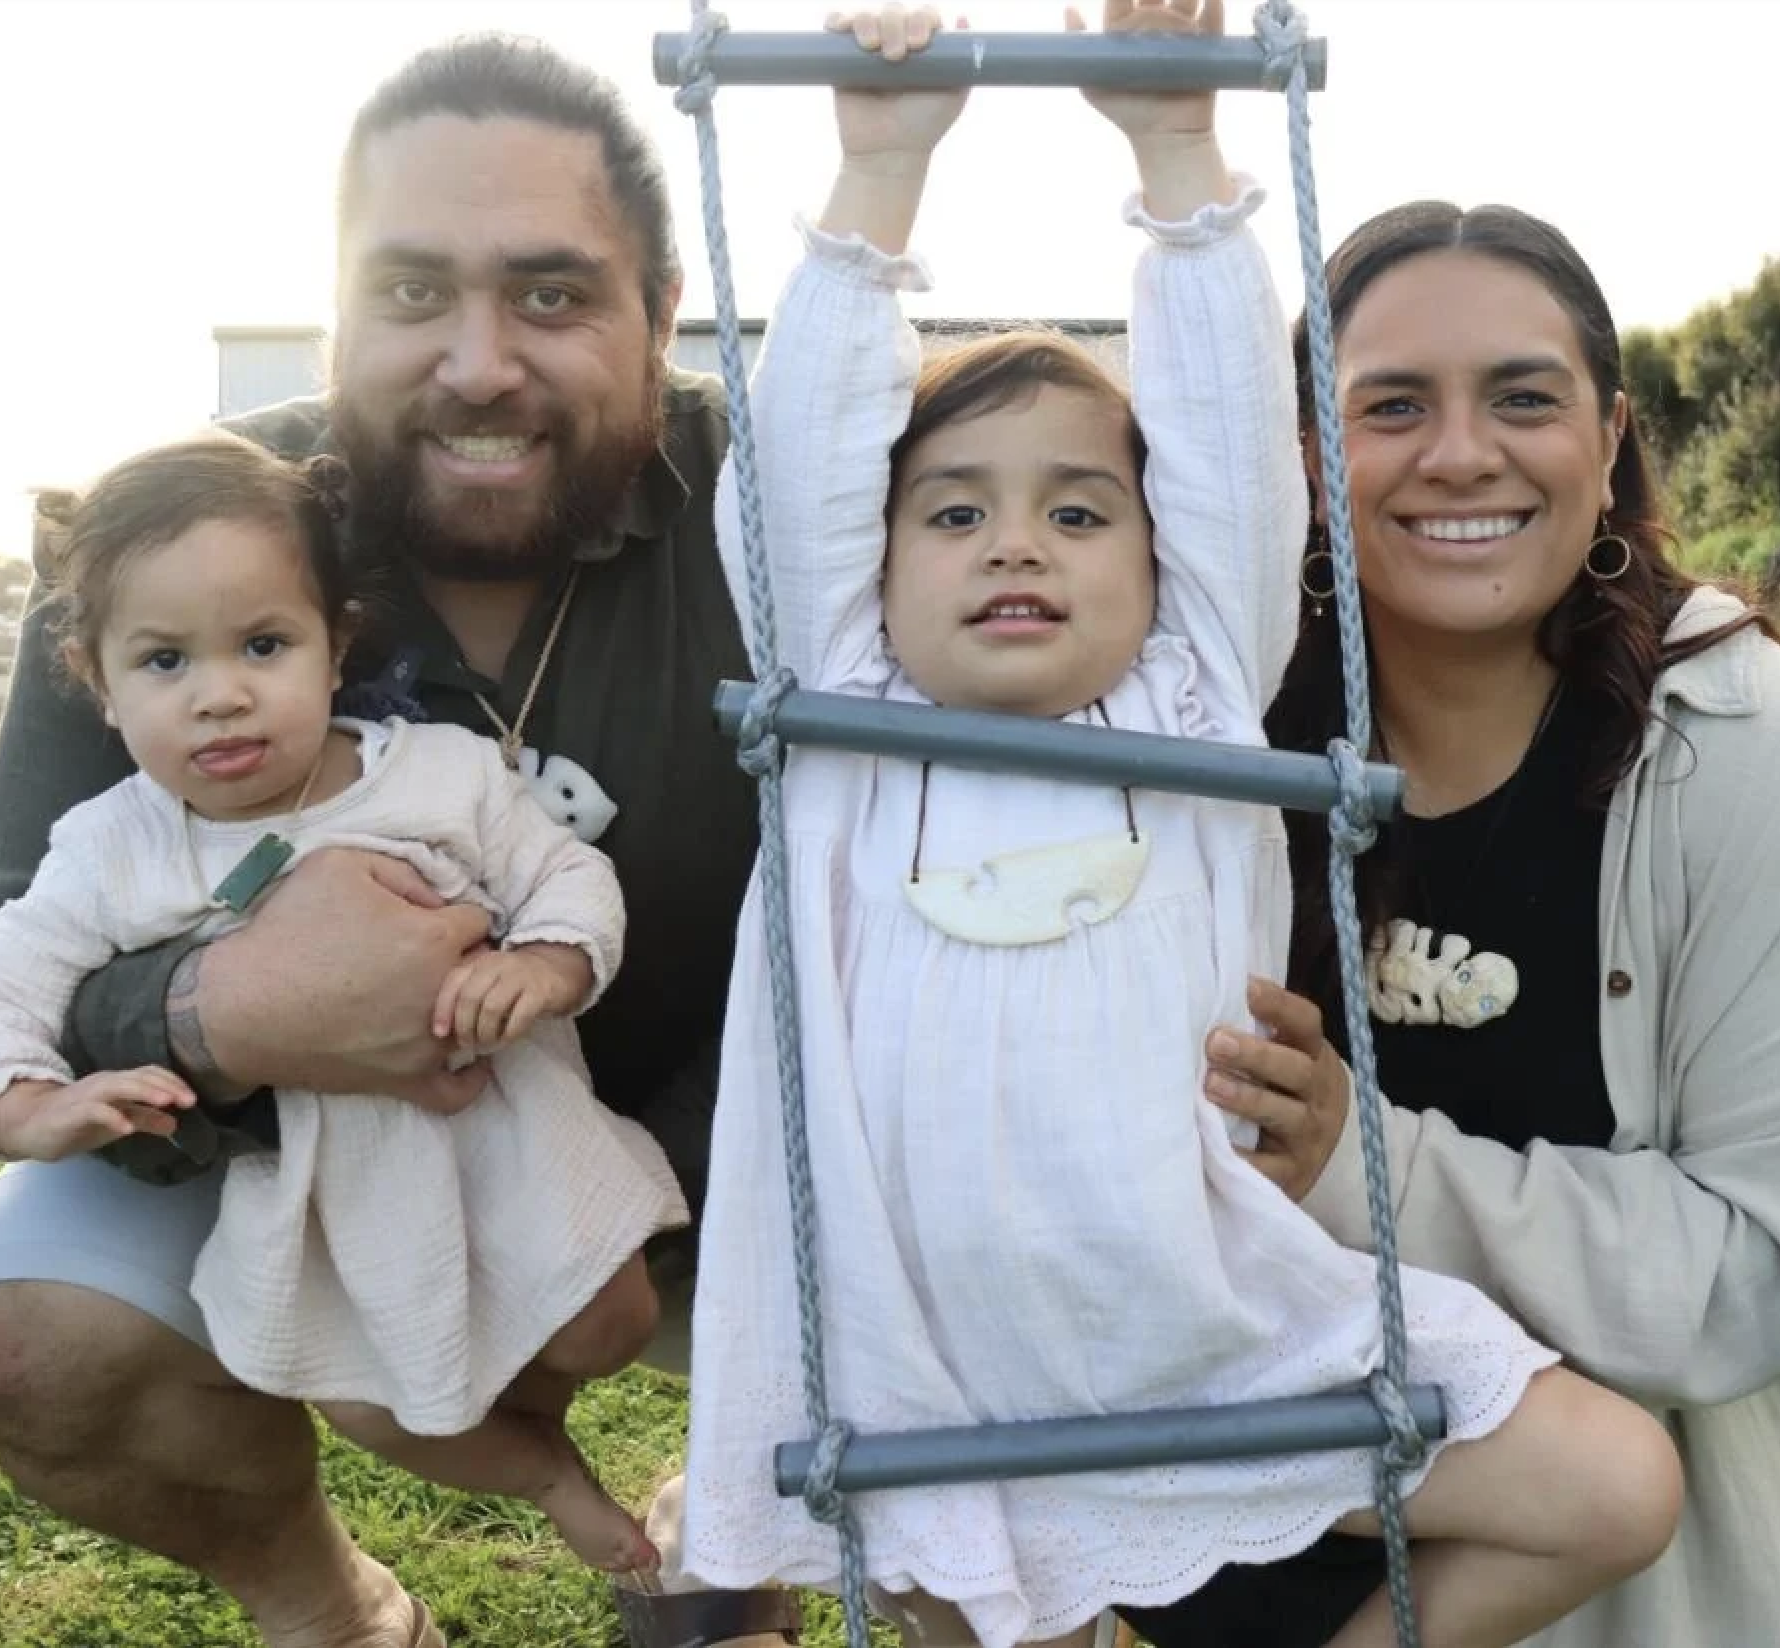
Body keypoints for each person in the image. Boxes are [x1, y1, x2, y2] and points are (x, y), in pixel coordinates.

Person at [674, 9, 1683, 1648]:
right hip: (921, 1359)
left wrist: (1171, 151)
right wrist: (876, 172)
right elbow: (791, 466)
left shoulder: (1191, 696)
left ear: (1168, 565)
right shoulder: (842, 717)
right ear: (874, 560)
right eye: (954, 508)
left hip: (1207, 1329)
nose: (1018, 541)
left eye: (1080, 508)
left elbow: (1222, 430)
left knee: (1612, 1485)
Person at [0, 35, 804, 1648]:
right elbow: (18, 951)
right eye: (410, 294)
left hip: (738, 1150)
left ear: (664, 312)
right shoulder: (174, 546)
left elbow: (893, 918)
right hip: (309, 1155)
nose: (477, 362)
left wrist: (619, 1188)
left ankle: (736, 1503)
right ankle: (333, 1608)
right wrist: (234, 1014)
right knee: (26, 1338)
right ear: (338, 309)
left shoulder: (787, 510)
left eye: (550, 294)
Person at [1124, 197, 1780, 1648]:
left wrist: (1353, 1169)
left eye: (1521, 397)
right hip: (1230, 1567)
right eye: (1389, 406)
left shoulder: (1755, 747)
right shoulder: (1202, 736)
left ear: (1607, 437)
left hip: (1604, 1590)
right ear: (1308, 459)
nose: (1457, 454)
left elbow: (1760, 1267)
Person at [0, 430, 689, 1588]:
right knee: (375, 1400)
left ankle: (585, 1425)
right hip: (326, 1191)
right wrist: (27, 1103)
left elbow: (568, 877)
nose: (222, 695)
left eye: (264, 645)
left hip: (516, 1131)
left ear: (336, 645)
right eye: (164, 661)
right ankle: (548, 1480)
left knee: (608, 1321)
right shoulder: (113, 847)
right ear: (96, 681)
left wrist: (546, 964)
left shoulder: (436, 773)